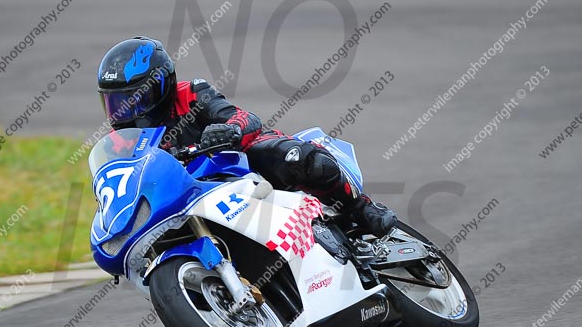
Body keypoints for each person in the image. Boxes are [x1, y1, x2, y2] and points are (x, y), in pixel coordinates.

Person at [96, 36, 397, 237]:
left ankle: (361, 207)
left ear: (162, 85)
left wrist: (230, 130)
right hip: (193, 194)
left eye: (135, 98)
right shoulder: (124, 141)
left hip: (241, 164)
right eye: (116, 102)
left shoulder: (192, 93)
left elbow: (243, 117)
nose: (126, 110)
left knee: (299, 159)